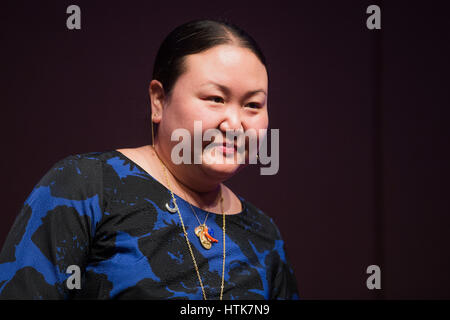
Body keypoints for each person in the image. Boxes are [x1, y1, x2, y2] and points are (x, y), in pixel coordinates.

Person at [0, 19, 299, 300]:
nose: (234, 124)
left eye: (252, 105)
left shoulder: (264, 234)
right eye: (215, 99)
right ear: (159, 100)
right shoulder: (87, 186)